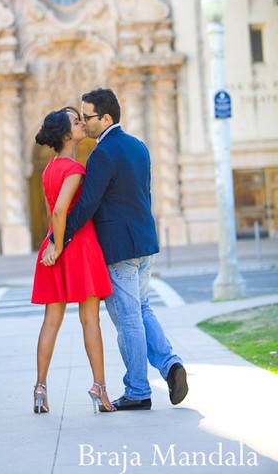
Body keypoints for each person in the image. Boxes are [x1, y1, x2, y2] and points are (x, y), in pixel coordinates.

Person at [42, 88, 188, 411]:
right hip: (145, 243)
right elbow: (142, 195)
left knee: (129, 319)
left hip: (119, 250)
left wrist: (58, 239)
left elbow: (86, 206)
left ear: (105, 118)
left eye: (88, 117)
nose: (84, 122)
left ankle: (137, 390)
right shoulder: (139, 147)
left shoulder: (102, 154)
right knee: (143, 309)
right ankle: (171, 365)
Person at [31, 107, 116, 415]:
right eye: (77, 122)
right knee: (90, 320)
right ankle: (100, 387)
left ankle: (40, 388)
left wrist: (52, 244)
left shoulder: (48, 168)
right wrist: (58, 244)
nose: (83, 123)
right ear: (67, 134)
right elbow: (60, 211)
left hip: (55, 245)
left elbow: (49, 210)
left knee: (50, 321)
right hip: (76, 246)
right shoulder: (75, 169)